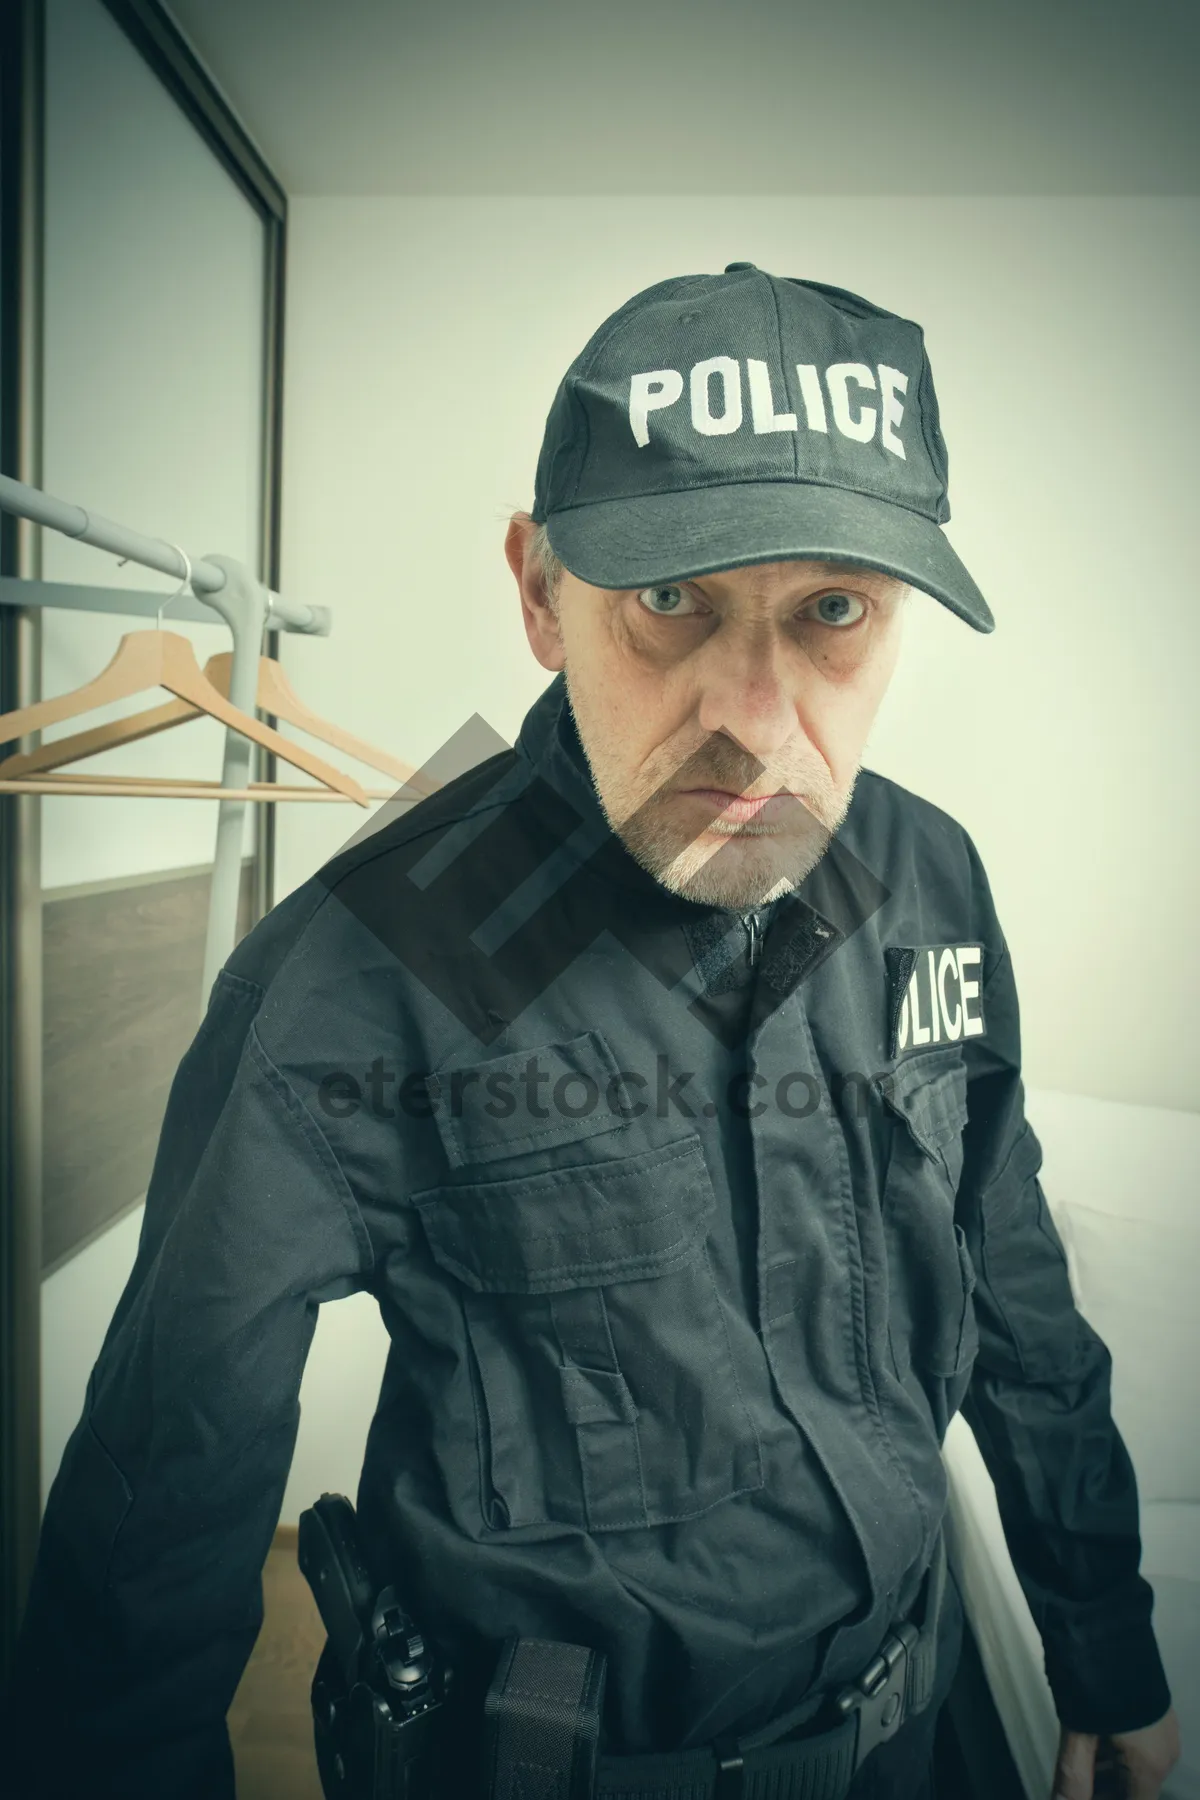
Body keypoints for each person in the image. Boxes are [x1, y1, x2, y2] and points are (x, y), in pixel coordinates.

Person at [0, 265, 1181, 1800]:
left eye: (833, 611)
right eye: (671, 603)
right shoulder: (362, 969)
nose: (753, 719)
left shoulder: (929, 877)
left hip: (927, 1728)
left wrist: (1105, 1642)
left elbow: (1013, 1282)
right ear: (540, 591)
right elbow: (160, 1515)